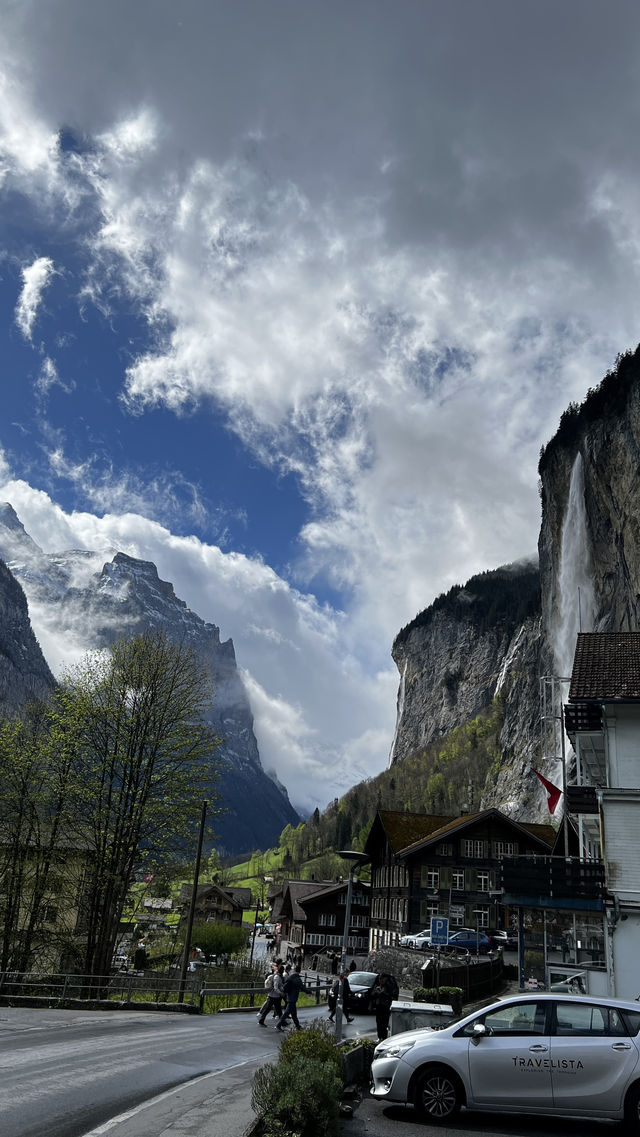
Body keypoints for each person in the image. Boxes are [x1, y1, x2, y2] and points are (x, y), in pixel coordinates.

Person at [276, 963, 304, 1031]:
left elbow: (286, 985)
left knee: (294, 1014)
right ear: (300, 971)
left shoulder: (291, 976)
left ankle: (298, 1026)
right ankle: (278, 1025)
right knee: (286, 1013)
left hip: (290, 998)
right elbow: (302, 988)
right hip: (292, 999)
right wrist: (309, 991)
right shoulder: (297, 978)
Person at [373, 971, 397, 1042]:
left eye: (382, 979)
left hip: (386, 1006)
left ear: (385, 979)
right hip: (379, 1006)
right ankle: (380, 1037)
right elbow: (373, 994)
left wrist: (382, 993)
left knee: (384, 1023)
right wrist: (376, 992)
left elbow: (391, 996)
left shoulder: (389, 986)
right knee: (378, 1022)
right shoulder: (378, 985)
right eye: (380, 979)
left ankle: (384, 1037)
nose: (380, 981)